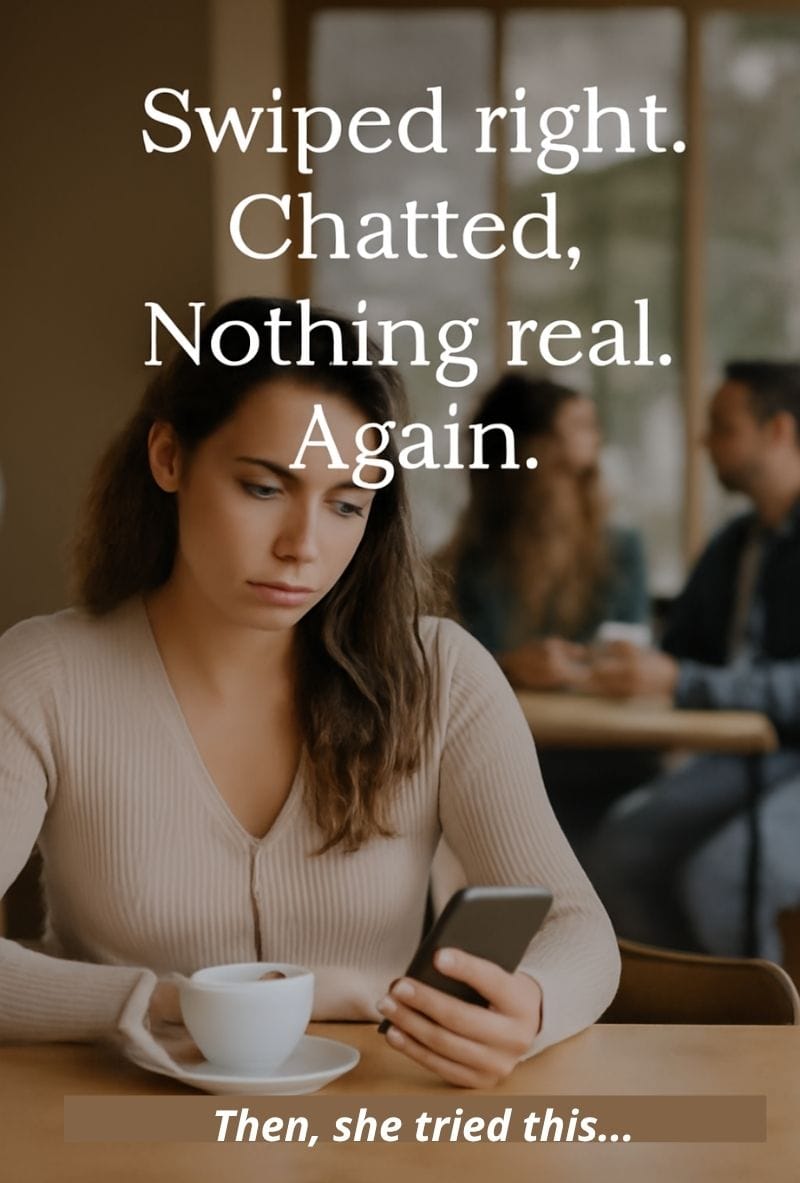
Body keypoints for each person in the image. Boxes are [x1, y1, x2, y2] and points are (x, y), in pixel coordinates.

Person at [0, 297, 619, 1088]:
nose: (303, 547)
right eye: (264, 489)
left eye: (346, 505)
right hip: (111, 1120)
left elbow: (579, 929)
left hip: (372, 1126)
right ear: (169, 457)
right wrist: (171, 1003)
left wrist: (528, 1007)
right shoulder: (45, 674)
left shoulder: (442, 676)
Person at [586, 361, 800, 961]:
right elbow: (679, 652)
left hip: (785, 755)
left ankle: (756, 1022)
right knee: (617, 853)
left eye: (722, 428)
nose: (705, 443)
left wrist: (684, 681)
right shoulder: (736, 544)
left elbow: (690, 675)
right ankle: (688, 1005)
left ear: (779, 431)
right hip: (747, 755)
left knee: (723, 881)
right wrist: (603, 663)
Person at [440, 373, 654, 849]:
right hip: (502, 759)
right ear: (529, 448)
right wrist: (510, 666)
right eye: (578, 427)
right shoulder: (469, 561)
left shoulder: (621, 551)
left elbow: (627, 650)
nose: (594, 443)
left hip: (608, 757)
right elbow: (447, 670)